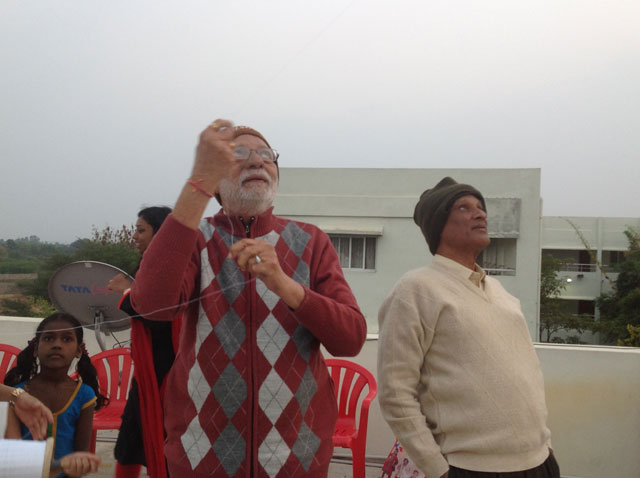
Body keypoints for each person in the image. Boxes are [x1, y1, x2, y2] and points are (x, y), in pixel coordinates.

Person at [129, 119, 367, 477]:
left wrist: (285, 286)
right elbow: (150, 303)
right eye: (239, 154)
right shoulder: (195, 238)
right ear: (217, 182)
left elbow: (351, 338)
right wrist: (198, 182)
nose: (256, 160)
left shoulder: (311, 240)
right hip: (199, 457)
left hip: (297, 458)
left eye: (266, 154)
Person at [377, 177, 560, 478]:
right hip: (469, 468)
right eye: (464, 207)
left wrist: (546, 444)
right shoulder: (416, 289)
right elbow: (395, 393)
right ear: (439, 225)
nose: (480, 214)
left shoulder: (501, 293)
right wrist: (438, 469)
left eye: (481, 207)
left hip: (538, 462)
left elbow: (529, 373)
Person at [107, 206, 177, 478]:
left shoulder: (170, 269)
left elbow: (158, 316)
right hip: (148, 372)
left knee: (163, 442)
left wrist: (124, 293)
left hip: (166, 372)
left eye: (141, 230)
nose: (134, 236)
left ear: (160, 233)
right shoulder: (151, 267)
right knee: (130, 441)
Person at [4, 312, 106, 477]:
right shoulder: (17, 394)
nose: (57, 345)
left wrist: (79, 465)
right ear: (36, 348)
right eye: (49, 338)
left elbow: (80, 456)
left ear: (79, 351)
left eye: (66, 339)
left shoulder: (84, 395)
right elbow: (11, 455)